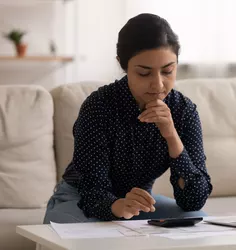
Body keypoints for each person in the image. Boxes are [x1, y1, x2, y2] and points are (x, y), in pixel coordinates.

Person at [43, 13, 213, 224]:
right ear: (123, 65)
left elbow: (194, 199)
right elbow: (92, 190)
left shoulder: (184, 111)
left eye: (168, 71)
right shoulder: (99, 107)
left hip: (137, 205)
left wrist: (171, 135)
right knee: (87, 235)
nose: (158, 85)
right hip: (81, 201)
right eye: (144, 73)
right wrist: (118, 206)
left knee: (196, 220)